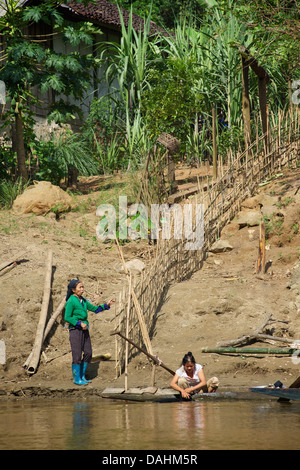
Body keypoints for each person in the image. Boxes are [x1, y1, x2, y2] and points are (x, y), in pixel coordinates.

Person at [64, 279, 115, 385]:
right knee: (77, 355)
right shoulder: (70, 301)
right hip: (75, 331)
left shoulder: (83, 300)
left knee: (88, 353)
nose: (82, 289)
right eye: (80, 287)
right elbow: (67, 317)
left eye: (83, 287)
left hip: (84, 330)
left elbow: (95, 309)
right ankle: (76, 378)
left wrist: (106, 305)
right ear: (73, 290)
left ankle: (82, 376)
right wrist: (79, 323)